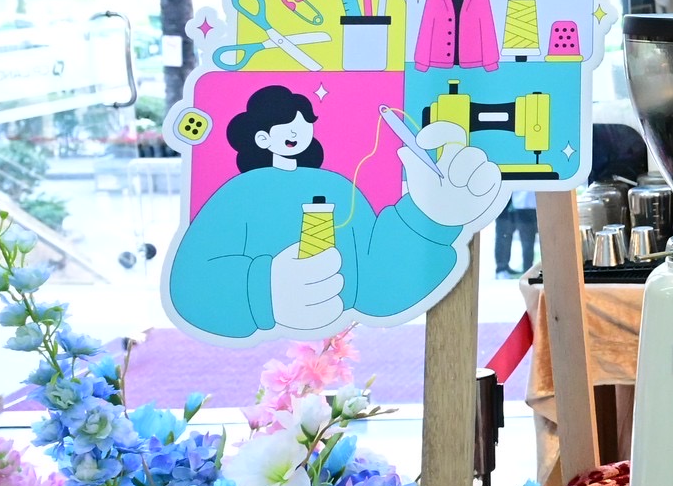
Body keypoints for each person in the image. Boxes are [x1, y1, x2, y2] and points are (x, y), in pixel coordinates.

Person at [168, 85, 505, 341]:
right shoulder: (238, 194)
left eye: (302, 124)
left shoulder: (337, 187)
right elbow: (191, 281)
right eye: (285, 126)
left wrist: (429, 220)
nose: (296, 132)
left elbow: (376, 276)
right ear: (261, 138)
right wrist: (263, 291)